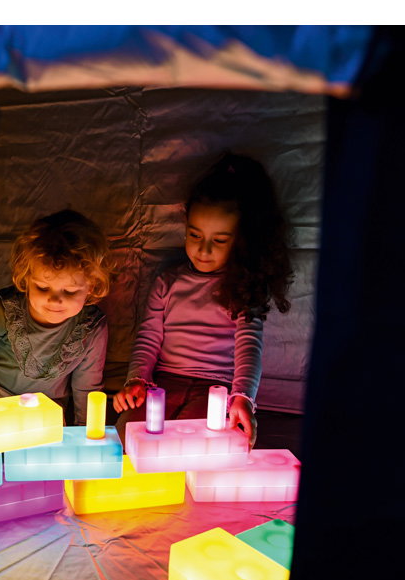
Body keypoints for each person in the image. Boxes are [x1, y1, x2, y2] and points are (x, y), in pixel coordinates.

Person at [113, 153, 293, 448]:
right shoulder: (167, 281)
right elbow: (148, 337)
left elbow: (249, 349)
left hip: (216, 390)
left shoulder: (243, 288)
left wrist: (243, 398)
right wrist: (136, 380)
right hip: (163, 383)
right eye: (195, 235)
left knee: (199, 445)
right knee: (128, 435)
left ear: (241, 241)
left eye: (219, 240)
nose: (203, 250)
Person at [0, 209, 112, 425]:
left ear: (91, 286)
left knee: (50, 445)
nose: (54, 300)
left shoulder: (91, 327)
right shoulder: (6, 309)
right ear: (27, 279)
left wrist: (88, 432)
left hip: (46, 405)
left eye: (70, 291)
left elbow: (87, 388)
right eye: (43, 288)